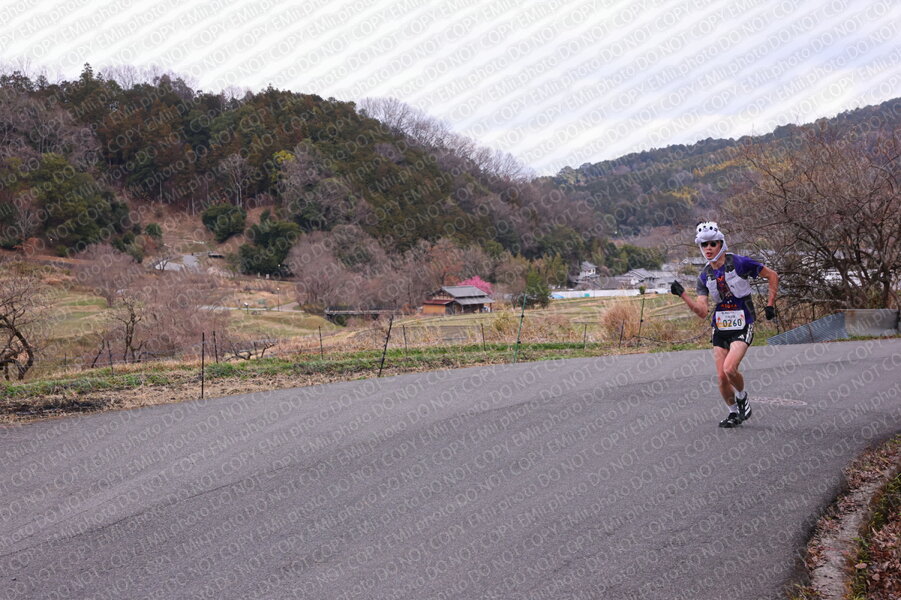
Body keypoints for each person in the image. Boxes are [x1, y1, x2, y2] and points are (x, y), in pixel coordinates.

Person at [670, 222, 779, 428]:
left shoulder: (739, 263)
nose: (708, 248)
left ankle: (742, 397)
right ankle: (733, 413)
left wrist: (770, 304)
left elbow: (772, 275)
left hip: (743, 322)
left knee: (730, 369)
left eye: (712, 243)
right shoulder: (704, 276)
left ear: (721, 244)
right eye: (704, 245)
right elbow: (702, 312)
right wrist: (683, 295)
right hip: (720, 326)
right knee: (721, 377)